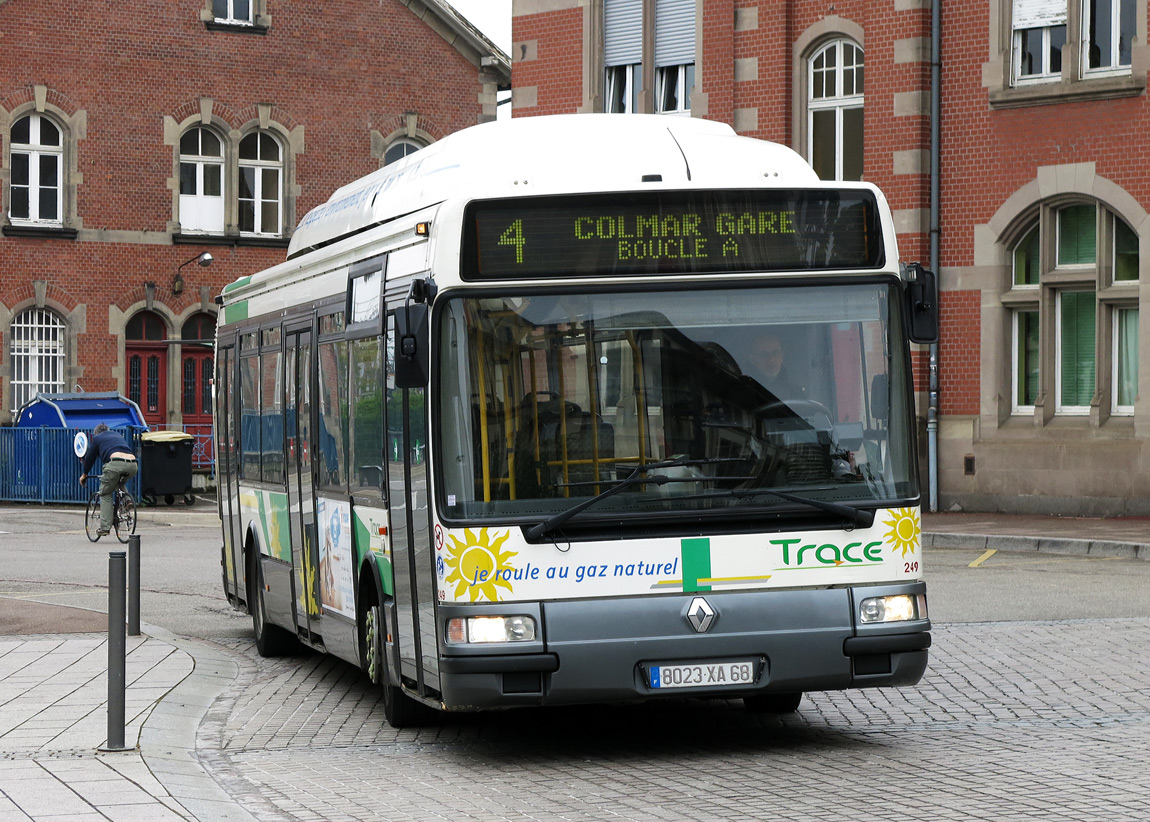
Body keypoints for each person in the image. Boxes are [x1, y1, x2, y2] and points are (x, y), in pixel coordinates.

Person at [79, 423, 138, 536]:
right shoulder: (117, 436)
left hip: (115, 464)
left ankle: (105, 527)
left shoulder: (97, 438)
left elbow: (90, 458)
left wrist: (85, 474)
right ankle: (127, 500)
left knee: (105, 493)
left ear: (96, 433)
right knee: (117, 481)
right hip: (132, 464)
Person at [745, 331, 805, 400]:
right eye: (763, 354)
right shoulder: (744, 391)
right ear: (753, 359)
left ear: (782, 356)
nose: (771, 359)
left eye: (775, 353)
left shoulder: (795, 392)